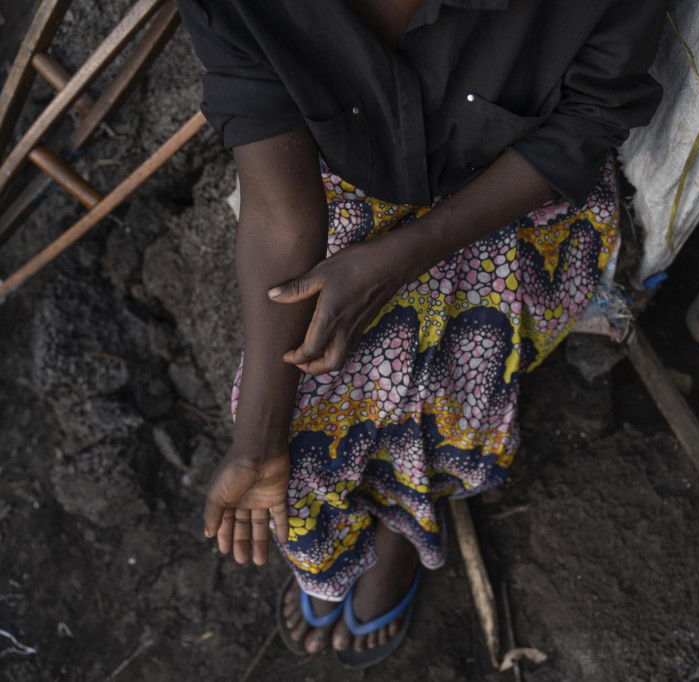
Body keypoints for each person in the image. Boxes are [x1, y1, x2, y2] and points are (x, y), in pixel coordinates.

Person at [174, 0, 667, 668]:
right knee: (295, 433)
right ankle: (361, 522)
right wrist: (257, 440)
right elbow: (281, 212)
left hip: (522, 201)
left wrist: (407, 255)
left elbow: (587, 122)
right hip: (346, 186)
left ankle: (404, 522)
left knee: (456, 388)